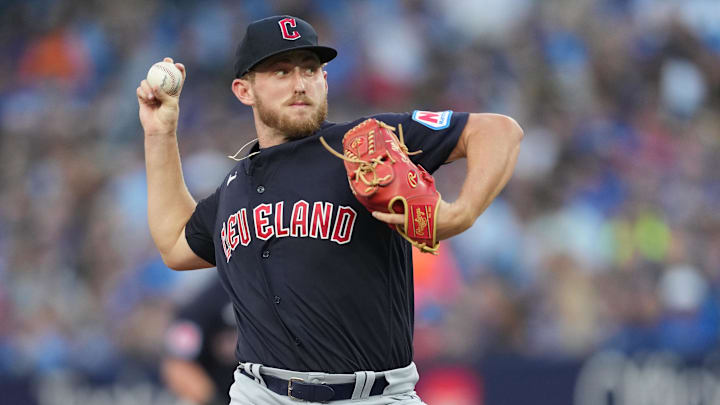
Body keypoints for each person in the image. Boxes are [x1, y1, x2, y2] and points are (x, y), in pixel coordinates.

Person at [136, 15, 523, 405]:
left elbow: (498, 130)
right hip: (261, 394)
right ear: (243, 90)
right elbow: (174, 242)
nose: (300, 83)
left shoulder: (362, 143)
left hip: (371, 395)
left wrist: (462, 212)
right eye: (281, 71)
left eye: (310, 69)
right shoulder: (234, 187)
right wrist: (159, 133)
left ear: (325, 80)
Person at [161, 278, 237, 405]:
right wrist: (212, 400)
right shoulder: (206, 303)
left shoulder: (271, 291)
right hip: (215, 393)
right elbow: (176, 364)